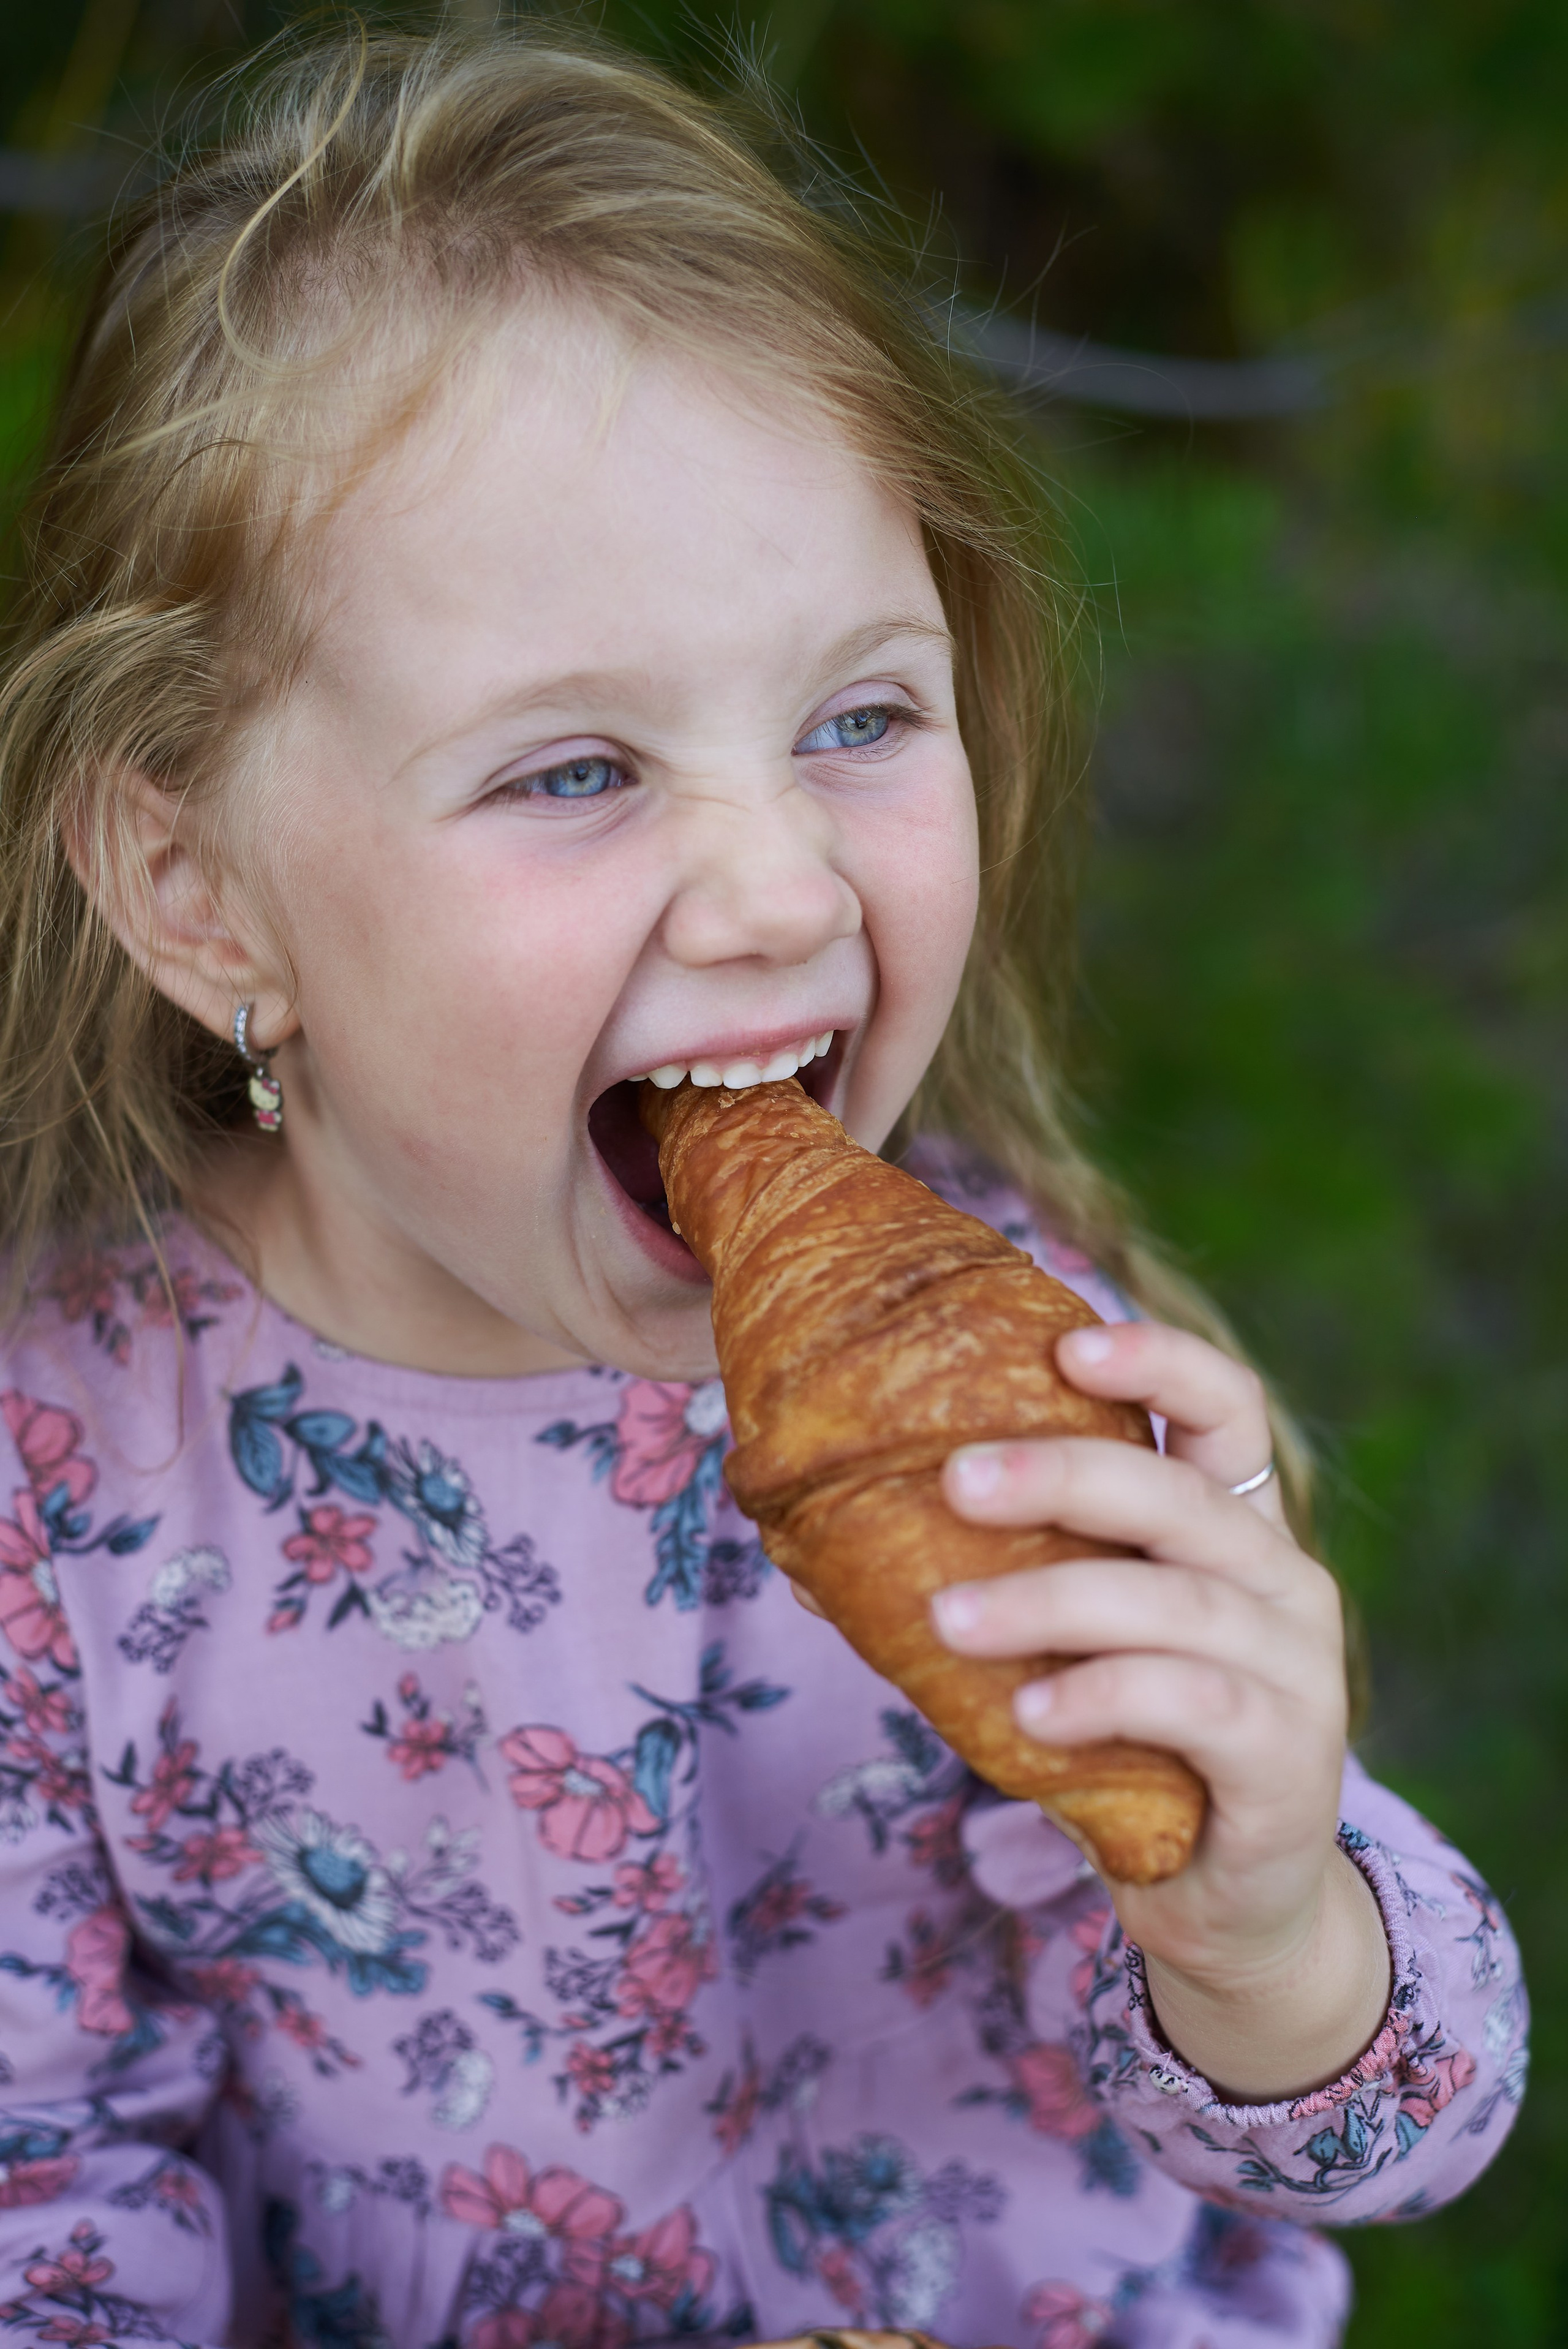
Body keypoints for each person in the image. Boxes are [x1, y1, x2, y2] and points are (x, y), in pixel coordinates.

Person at [0, 26, 1524, 2349]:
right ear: (198, 886)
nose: (773, 879)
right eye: (580, 765)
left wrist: (1272, 1918)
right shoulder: (64, 1500)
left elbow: (1396, 2133)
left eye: (858, 716)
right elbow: (47, 2215)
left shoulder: (1018, 1356)